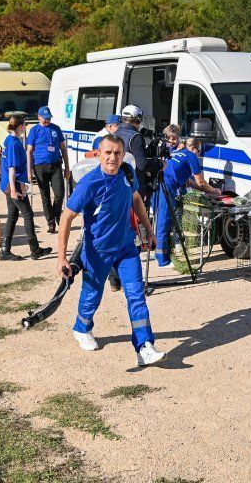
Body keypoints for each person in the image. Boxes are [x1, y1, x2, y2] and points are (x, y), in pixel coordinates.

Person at [57, 134, 165, 366]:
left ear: (122, 154)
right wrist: (62, 257)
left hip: (126, 247)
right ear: (98, 155)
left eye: (117, 153)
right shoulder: (89, 183)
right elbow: (66, 217)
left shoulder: (127, 173)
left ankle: (144, 346)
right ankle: (82, 328)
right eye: (108, 153)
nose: (112, 158)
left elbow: (136, 200)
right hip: (98, 250)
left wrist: (149, 230)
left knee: (136, 296)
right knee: (92, 294)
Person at [154, 137, 220, 267]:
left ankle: (162, 256)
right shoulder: (191, 156)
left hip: (160, 186)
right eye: (199, 151)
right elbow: (200, 181)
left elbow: (189, 181)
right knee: (164, 222)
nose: (199, 154)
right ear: (194, 148)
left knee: (163, 221)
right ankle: (162, 261)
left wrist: (208, 190)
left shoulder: (176, 153)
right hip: (167, 188)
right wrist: (215, 191)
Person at [0, 114, 52, 261]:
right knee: (28, 214)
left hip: (9, 184)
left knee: (13, 215)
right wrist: (15, 190)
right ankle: (35, 250)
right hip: (12, 184)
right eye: (25, 125)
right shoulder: (15, 143)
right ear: (21, 126)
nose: (25, 128)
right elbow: (12, 169)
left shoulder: (9, 139)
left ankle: (5, 250)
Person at [26, 106, 70, 234]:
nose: (47, 120)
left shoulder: (55, 129)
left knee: (59, 194)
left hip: (55, 165)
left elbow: (63, 149)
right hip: (40, 166)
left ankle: (56, 214)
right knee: (45, 196)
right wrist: (29, 170)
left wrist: (67, 167)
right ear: (39, 117)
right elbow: (29, 151)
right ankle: (51, 223)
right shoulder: (34, 130)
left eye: (49, 118)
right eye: (45, 118)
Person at [114, 105, 156, 206]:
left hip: (116, 182)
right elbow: (143, 165)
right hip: (132, 185)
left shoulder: (114, 134)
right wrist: (160, 165)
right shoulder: (136, 137)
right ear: (138, 119)